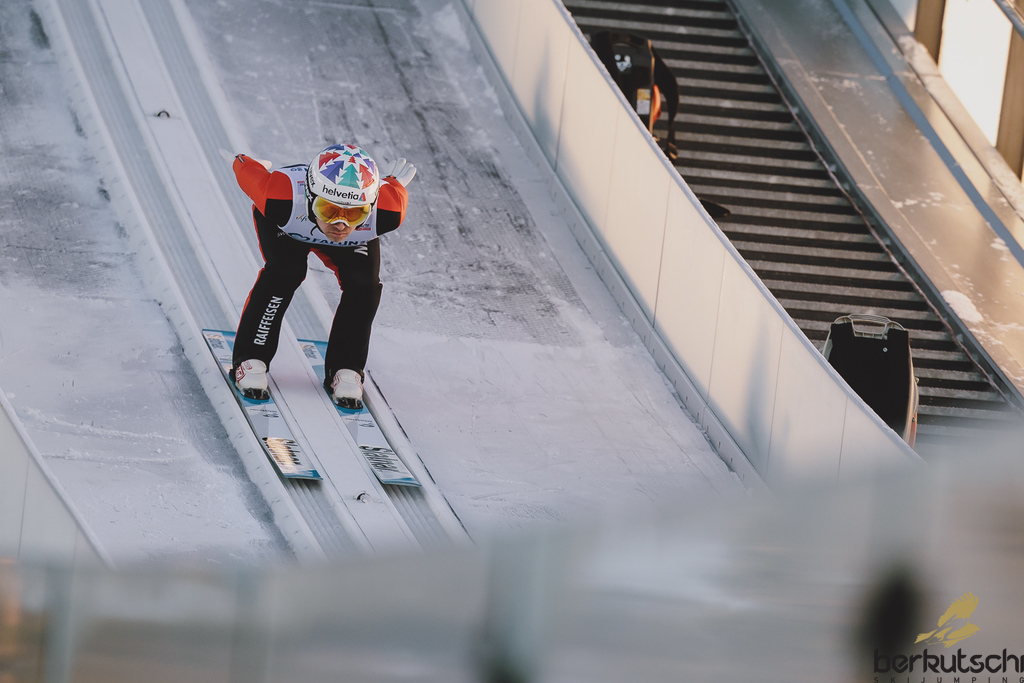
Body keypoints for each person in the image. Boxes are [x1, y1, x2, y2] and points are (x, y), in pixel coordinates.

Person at [223, 144, 416, 409]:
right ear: (310, 196)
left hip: (311, 226)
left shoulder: (388, 211)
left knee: (364, 285)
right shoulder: (278, 197)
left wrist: (391, 183)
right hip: (288, 223)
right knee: (285, 271)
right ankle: (250, 358)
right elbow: (248, 172)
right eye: (329, 210)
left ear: (371, 206)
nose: (340, 225)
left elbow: (392, 192)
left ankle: (347, 367)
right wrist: (243, 161)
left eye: (354, 213)